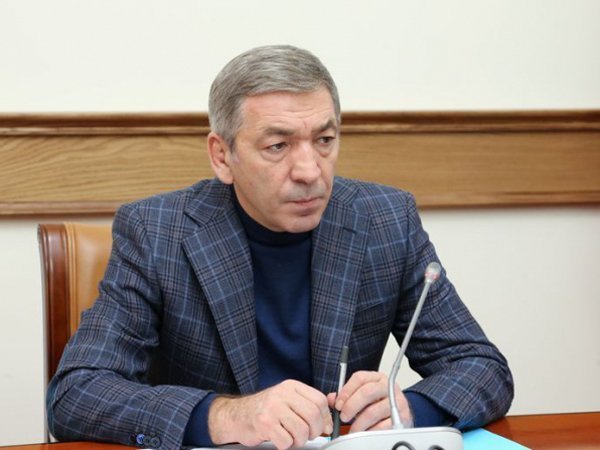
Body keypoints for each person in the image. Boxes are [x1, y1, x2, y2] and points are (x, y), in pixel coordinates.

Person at [47, 45, 513, 450]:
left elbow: (482, 367)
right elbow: (76, 393)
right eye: (277, 146)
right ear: (222, 156)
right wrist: (226, 415)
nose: (310, 170)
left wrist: (410, 407)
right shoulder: (156, 232)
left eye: (324, 140)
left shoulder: (385, 220)